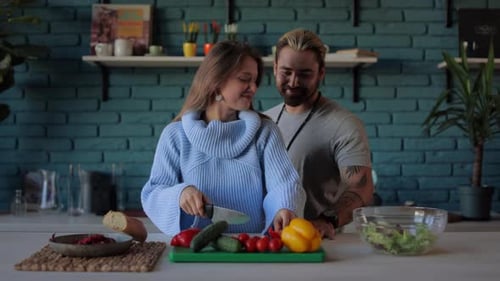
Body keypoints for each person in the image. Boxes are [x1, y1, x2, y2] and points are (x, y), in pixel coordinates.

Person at [141, 41, 305, 236]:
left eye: (255, 81)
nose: (253, 88)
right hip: (195, 250)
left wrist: (284, 207)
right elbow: (154, 193)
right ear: (216, 82)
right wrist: (179, 194)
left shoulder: (265, 132)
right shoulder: (175, 135)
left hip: (252, 247)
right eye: (245, 79)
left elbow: (284, 184)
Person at [264, 29, 374, 239]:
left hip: (314, 243)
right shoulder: (263, 120)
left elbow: (362, 187)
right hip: (262, 243)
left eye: (304, 74)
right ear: (275, 68)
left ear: (321, 73)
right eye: (286, 72)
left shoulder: (343, 124)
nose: (294, 81)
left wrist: (327, 221)